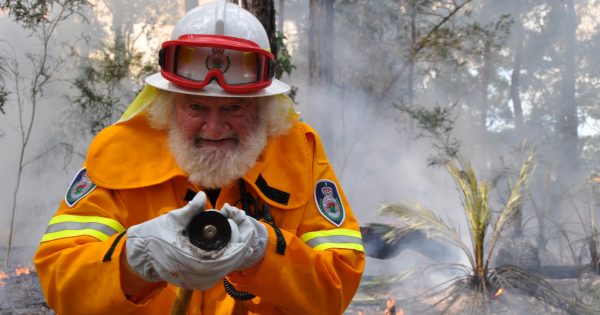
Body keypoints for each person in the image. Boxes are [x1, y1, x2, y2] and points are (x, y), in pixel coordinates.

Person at [33, 1, 365, 314]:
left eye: (235, 107)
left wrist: (266, 252)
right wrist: (132, 261)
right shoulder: (120, 153)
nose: (215, 127)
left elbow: (335, 289)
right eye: (196, 106)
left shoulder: (298, 153)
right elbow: (60, 284)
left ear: (264, 108)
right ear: (168, 104)